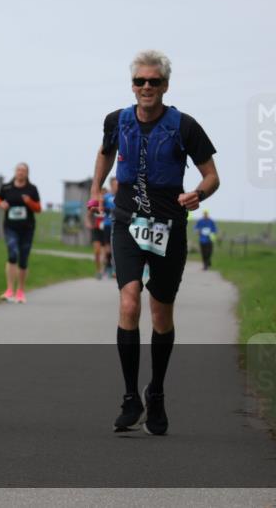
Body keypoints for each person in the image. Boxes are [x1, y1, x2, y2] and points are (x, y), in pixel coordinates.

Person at [89, 50, 219, 436]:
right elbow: (105, 152)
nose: (147, 87)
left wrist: (199, 194)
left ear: (165, 85)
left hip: (168, 223)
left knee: (160, 313)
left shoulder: (184, 125)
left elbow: (212, 175)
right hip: (127, 221)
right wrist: (96, 188)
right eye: (140, 81)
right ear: (132, 85)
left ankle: (156, 392)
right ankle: (131, 397)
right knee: (129, 301)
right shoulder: (117, 120)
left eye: (154, 82)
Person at [0, 163, 41, 303]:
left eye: (23, 170)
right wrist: (1, 204)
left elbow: (38, 208)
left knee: (23, 259)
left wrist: (29, 202)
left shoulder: (32, 189)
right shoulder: (6, 187)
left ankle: (20, 291)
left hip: (27, 228)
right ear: (15, 172)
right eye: (18, 170)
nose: (20, 173)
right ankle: (9, 290)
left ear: (27, 173)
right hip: (10, 227)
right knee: (12, 254)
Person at [86, 187, 109, 279]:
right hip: (96, 229)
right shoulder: (94, 204)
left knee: (105, 252)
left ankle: (104, 269)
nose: (101, 197)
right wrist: (88, 223)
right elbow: (88, 215)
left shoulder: (108, 205)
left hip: (106, 229)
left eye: (103, 195)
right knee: (97, 251)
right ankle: (98, 270)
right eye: (100, 195)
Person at [102, 177, 117, 277]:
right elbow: (100, 207)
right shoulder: (106, 197)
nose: (116, 187)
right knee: (107, 248)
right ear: (111, 185)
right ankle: (108, 266)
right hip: (108, 224)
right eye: (114, 184)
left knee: (115, 248)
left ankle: (115, 268)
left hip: (118, 225)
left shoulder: (122, 196)